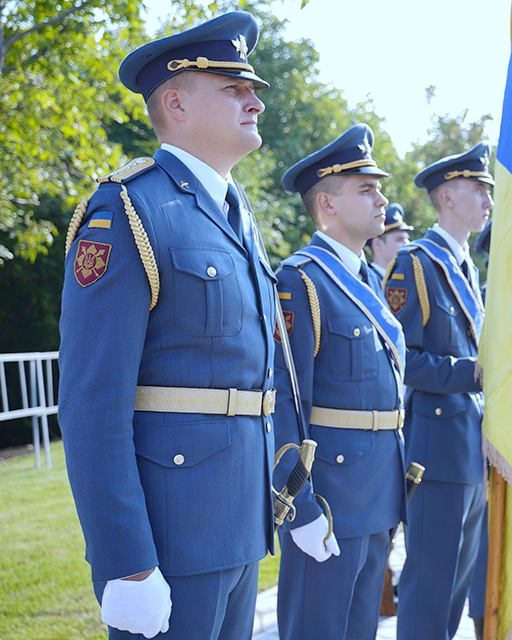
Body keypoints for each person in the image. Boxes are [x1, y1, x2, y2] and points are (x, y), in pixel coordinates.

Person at [58, 12, 276, 639]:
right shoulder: (128, 209)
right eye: (234, 88)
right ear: (176, 102)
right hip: (170, 539)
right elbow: (90, 404)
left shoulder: (237, 216)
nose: (254, 101)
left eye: (252, 87)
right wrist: (125, 563)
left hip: (239, 526)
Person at [272, 124, 407, 640]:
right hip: (329, 494)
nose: (382, 199)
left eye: (379, 187)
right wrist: (298, 504)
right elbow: (285, 402)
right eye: (366, 189)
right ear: (326, 204)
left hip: (378, 486)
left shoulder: (367, 279)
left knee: (359, 630)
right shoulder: (299, 280)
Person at [387, 143, 489, 640]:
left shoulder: (468, 267)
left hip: (472, 446)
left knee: (455, 586)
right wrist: (470, 373)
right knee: (429, 587)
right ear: (447, 196)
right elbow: (400, 356)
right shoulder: (416, 265)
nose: (488, 201)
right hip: (435, 447)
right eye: (479, 189)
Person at [367, 203, 413, 283]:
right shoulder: (368, 281)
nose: (407, 244)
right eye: (399, 239)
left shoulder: (405, 281)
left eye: (407, 239)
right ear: (378, 244)